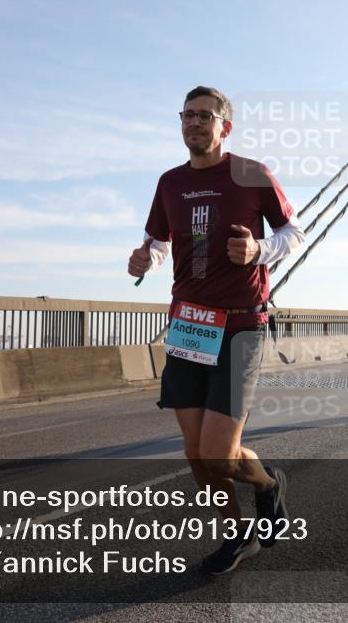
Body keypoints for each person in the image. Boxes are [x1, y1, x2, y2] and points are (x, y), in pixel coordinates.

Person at [127, 86, 306, 574]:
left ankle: (268, 483)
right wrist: (146, 258)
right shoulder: (169, 182)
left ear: (225, 126)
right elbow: (158, 240)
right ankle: (236, 535)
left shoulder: (252, 173)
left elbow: (293, 232)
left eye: (205, 116)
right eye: (187, 115)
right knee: (196, 454)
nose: (194, 123)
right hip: (188, 323)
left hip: (241, 323)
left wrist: (258, 251)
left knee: (219, 454)